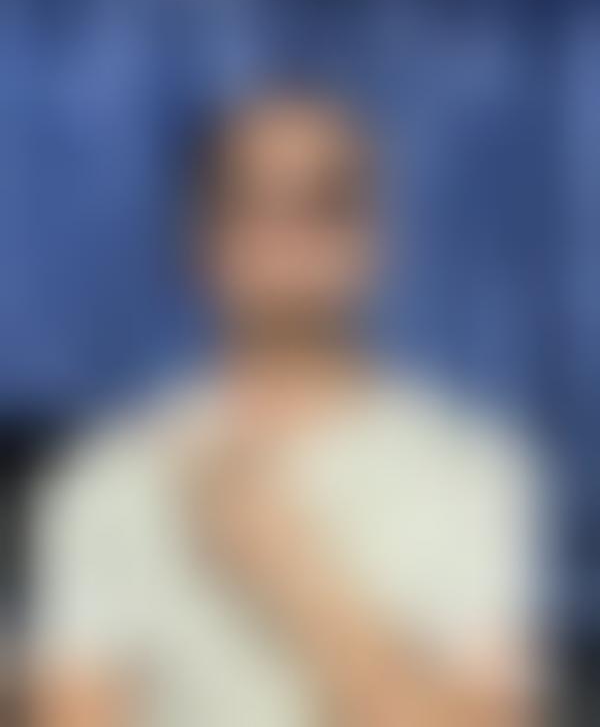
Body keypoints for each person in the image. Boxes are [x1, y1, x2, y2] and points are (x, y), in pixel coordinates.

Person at [29, 87, 541, 726]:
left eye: (320, 207)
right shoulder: (106, 478)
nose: (281, 240)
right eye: (248, 205)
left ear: (375, 241)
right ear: (198, 239)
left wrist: (292, 577)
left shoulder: (473, 471)